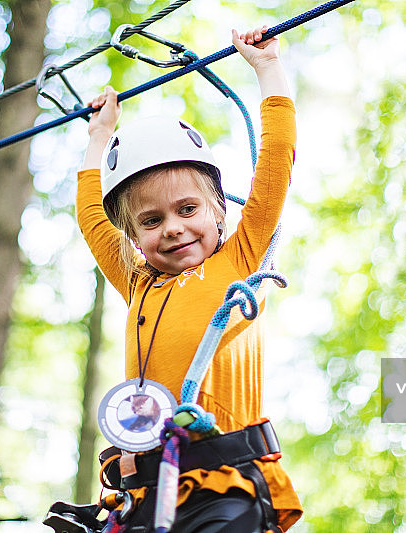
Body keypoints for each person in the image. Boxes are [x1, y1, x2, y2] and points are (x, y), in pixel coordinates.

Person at [77, 24, 302, 532]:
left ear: (218, 212)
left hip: (224, 483)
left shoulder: (240, 259)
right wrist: (98, 138)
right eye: (152, 221)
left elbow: (275, 168)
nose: (173, 228)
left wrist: (268, 70)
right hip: (143, 493)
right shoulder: (140, 283)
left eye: (187, 209)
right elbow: (92, 218)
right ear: (134, 236)